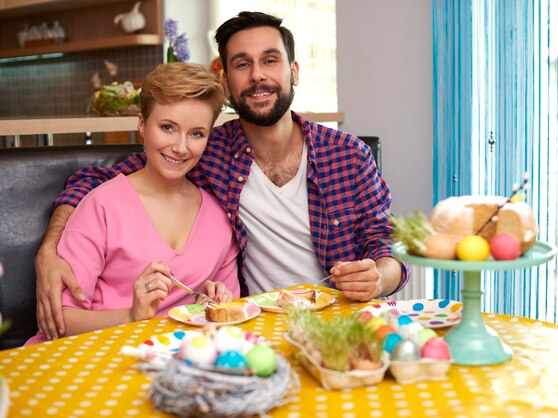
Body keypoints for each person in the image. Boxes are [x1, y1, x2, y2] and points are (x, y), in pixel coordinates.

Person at [35, 11, 409, 340]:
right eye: (242, 64)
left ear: (293, 71)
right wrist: (51, 248)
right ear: (227, 83)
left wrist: (379, 276)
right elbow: (96, 182)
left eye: (270, 60)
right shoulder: (208, 149)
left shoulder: (348, 155)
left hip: (341, 322)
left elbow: (387, 246)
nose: (258, 75)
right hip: (258, 328)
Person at [26, 62, 239, 344]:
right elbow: (58, 321)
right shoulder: (101, 206)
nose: (180, 147)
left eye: (196, 133)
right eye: (167, 127)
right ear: (141, 124)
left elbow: (231, 311)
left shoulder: (219, 218)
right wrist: (131, 315)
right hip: (90, 360)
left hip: (173, 366)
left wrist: (218, 300)